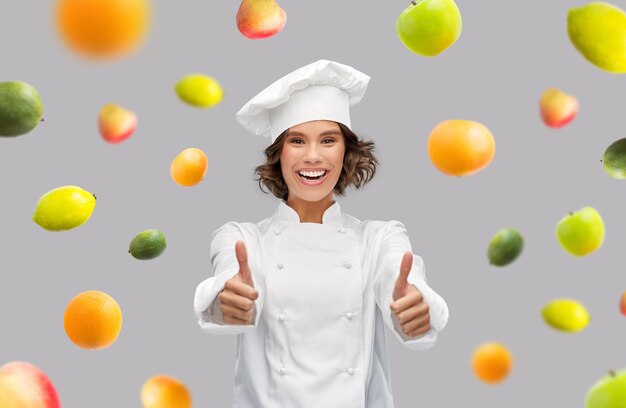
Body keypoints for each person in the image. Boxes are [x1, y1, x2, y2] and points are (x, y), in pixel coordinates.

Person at [194, 59, 449, 408]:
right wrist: (226, 303)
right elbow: (227, 280)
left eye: (328, 140)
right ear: (278, 154)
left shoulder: (378, 238)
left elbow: (402, 279)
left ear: (346, 152)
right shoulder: (241, 237)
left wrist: (414, 309)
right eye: (297, 141)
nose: (313, 156)